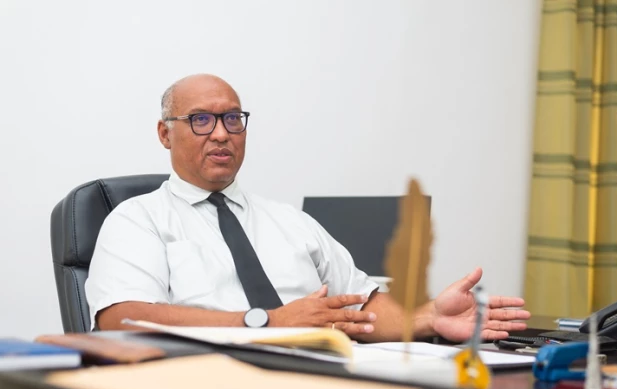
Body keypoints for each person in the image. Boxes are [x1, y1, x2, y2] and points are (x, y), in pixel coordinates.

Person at [85, 73, 530, 343]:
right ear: (165, 134)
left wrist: (428, 316)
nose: (221, 133)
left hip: (326, 382)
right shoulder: (136, 220)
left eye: (233, 119)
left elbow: (362, 304)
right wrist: (266, 322)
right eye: (201, 119)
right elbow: (122, 319)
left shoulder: (291, 222)